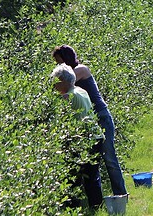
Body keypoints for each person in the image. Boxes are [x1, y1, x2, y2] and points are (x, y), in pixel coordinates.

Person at [52, 45, 127, 197]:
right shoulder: (71, 73)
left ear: (66, 59)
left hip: (101, 116)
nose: (58, 66)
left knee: (109, 158)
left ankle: (121, 194)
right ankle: (97, 199)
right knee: (92, 160)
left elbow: (66, 79)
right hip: (89, 118)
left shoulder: (80, 70)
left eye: (59, 62)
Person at [50, 64, 104, 208]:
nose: (54, 85)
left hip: (84, 139)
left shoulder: (68, 96)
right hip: (96, 137)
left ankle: (72, 207)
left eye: (57, 81)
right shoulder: (81, 90)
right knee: (92, 176)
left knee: (72, 177)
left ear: (64, 81)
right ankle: (96, 206)